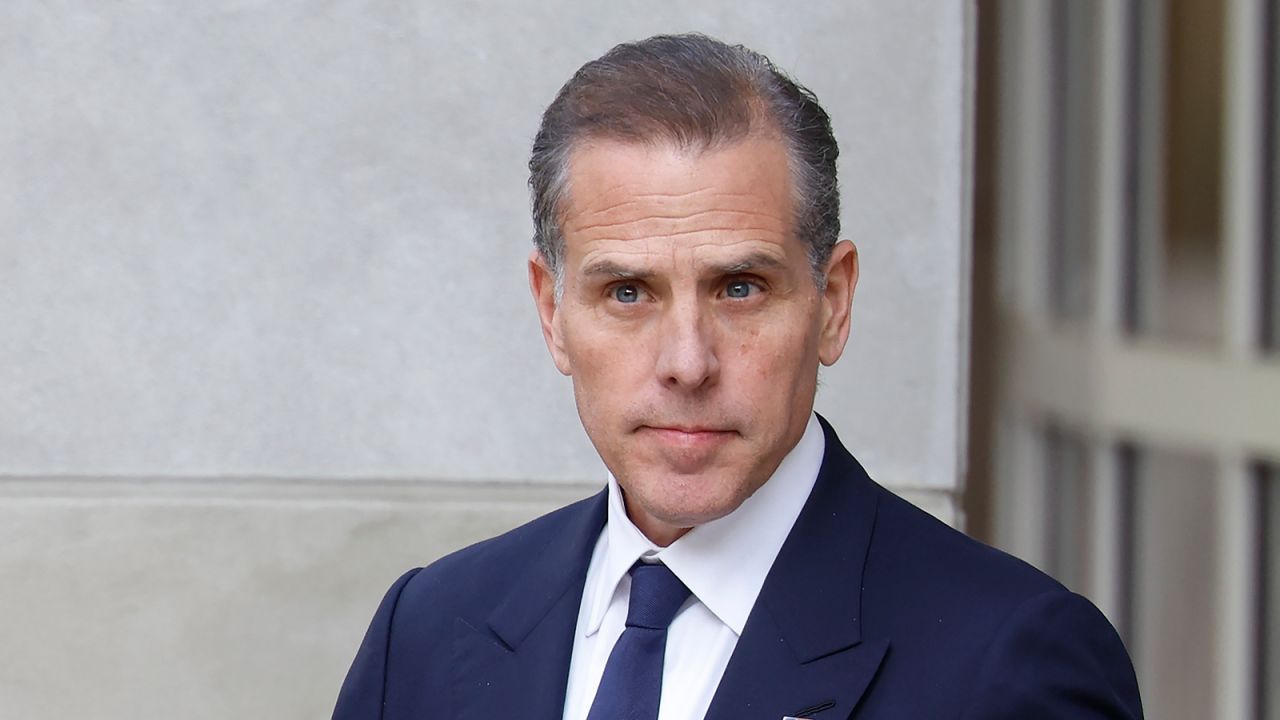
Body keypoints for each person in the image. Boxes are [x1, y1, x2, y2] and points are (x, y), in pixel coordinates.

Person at [332, 33, 1143, 720]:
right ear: (552, 312)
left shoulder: (1008, 667)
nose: (687, 362)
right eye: (627, 292)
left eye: (740, 288)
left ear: (832, 301)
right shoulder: (431, 631)